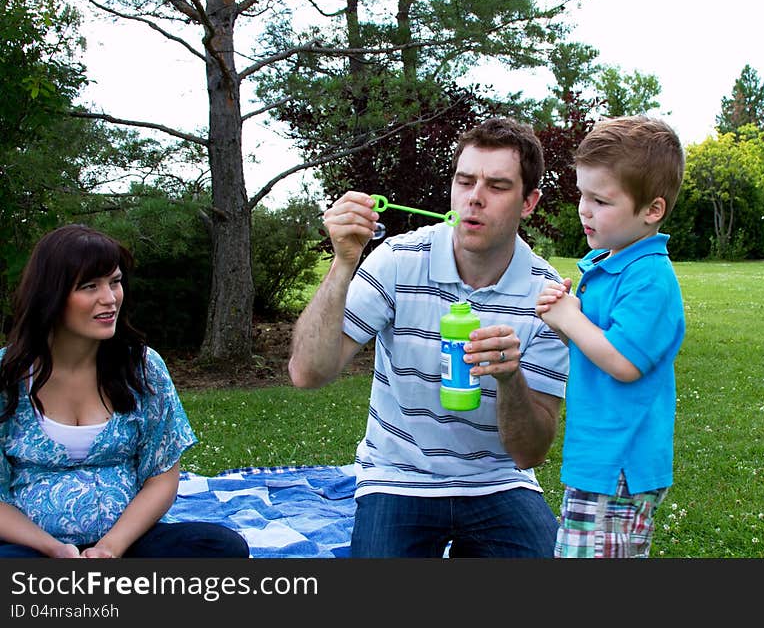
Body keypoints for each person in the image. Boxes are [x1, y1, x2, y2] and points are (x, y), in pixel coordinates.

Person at [289, 117, 569, 558]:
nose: (474, 198)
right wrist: (344, 263)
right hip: (399, 476)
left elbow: (529, 453)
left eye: (496, 186)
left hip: (497, 480)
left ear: (528, 202)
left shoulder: (547, 298)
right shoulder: (399, 260)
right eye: (464, 181)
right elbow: (307, 373)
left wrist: (511, 379)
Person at [0, 224, 250, 558]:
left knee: (221, 547)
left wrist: (109, 549)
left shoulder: (143, 368)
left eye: (115, 282)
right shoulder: (8, 375)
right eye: (89, 286)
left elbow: (161, 478)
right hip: (31, 548)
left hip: (127, 544)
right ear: (51, 295)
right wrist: (56, 550)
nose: (109, 298)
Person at [535, 115, 686, 558]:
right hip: (596, 456)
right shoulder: (608, 264)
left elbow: (623, 362)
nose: (584, 208)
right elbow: (595, 347)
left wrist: (571, 319)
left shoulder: (649, 277)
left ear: (651, 210)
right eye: (583, 194)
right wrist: (565, 321)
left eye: (600, 200)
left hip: (621, 461)